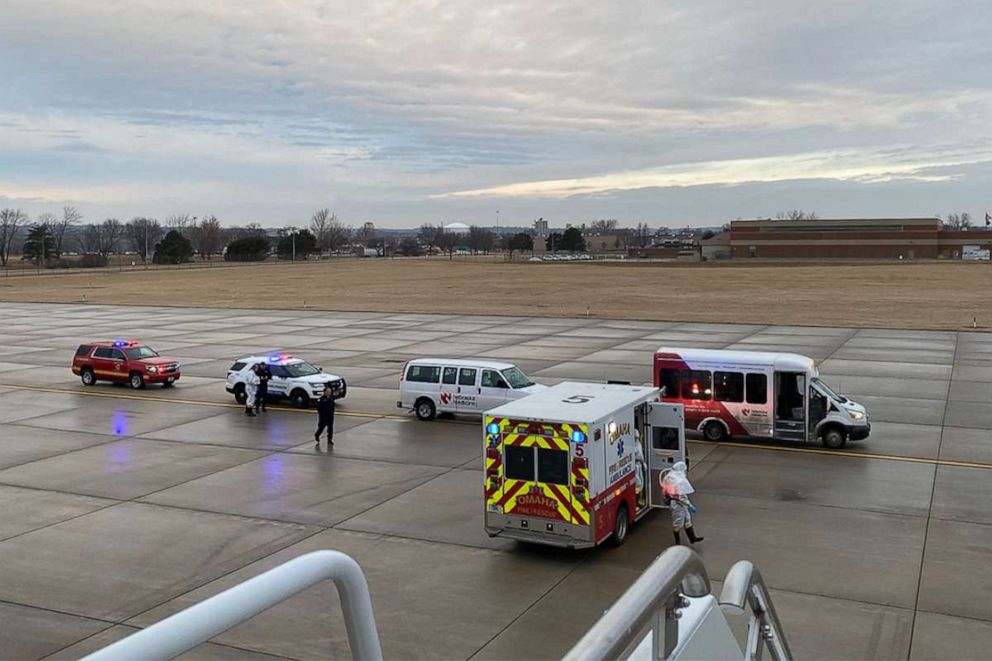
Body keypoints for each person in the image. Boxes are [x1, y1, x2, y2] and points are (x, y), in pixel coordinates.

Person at [661, 461, 704, 545]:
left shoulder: (670, 477)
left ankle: (692, 538)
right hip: (677, 504)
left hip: (679, 503)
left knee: (687, 519)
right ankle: (677, 541)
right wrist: (690, 505)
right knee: (678, 522)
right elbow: (680, 497)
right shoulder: (677, 481)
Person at [314, 383, 336, 447]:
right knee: (321, 428)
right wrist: (322, 415)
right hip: (323, 417)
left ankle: (329, 440)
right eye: (328, 391)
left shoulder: (331, 398)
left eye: (330, 391)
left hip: (330, 416)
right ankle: (317, 435)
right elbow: (319, 408)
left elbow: (333, 406)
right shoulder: (321, 399)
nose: (329, 393)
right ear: (325, 392)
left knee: (330, 429)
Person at [633, 428, 646, 507]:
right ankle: (637, 502)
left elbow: (641, 455)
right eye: (635, 438)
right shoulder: (633, 446)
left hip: (640, 465)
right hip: (636, 466)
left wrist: (643, 464)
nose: (636, 439)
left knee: (641, 484)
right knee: (638, 484)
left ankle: (640, 500)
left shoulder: (638, 444)